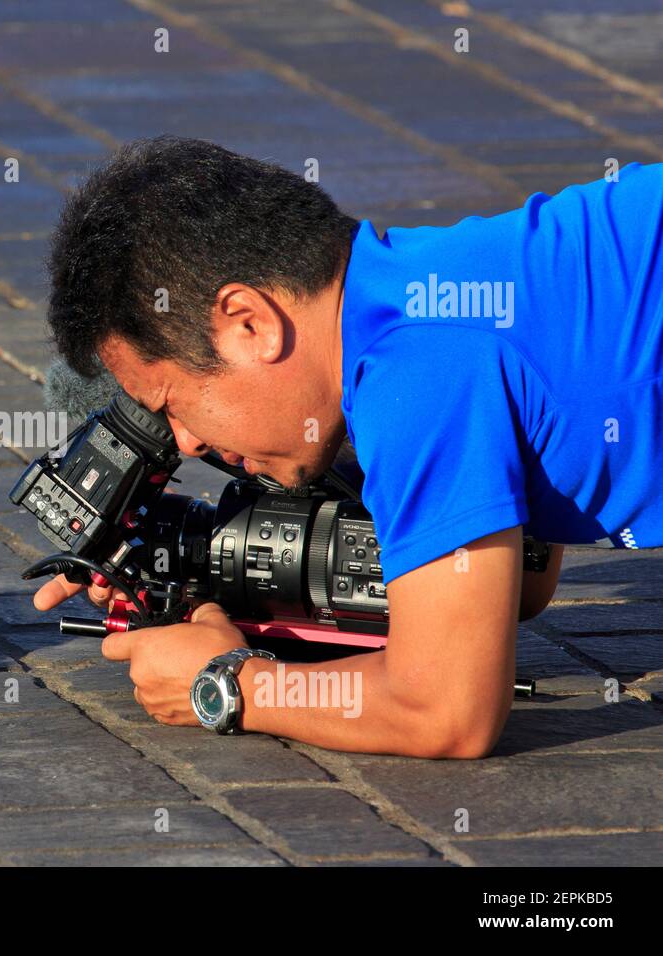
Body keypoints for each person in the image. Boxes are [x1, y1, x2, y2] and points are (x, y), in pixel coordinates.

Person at [32, 136, 663, 758]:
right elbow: (517, 580)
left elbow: (449, 709)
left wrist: (230, 683)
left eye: (172, 402)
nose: (190, 443)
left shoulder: (410, 373)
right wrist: (197, 578)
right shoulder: (406, 289)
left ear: (250, 323)